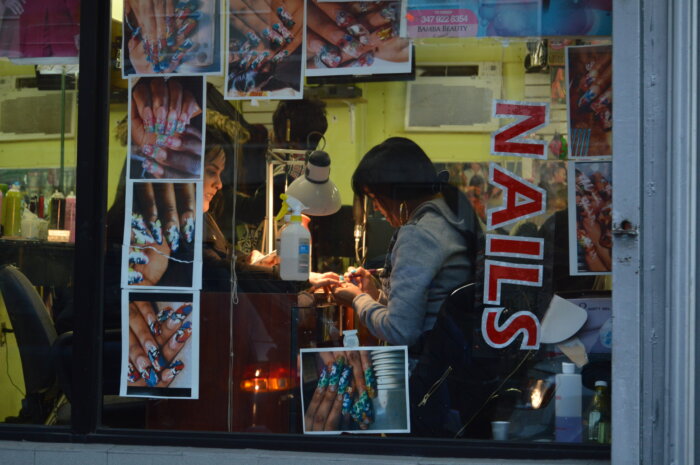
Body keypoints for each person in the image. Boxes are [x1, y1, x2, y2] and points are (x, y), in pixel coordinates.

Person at [332, 137, 482, 348]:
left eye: (375, 198)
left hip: (430, 368)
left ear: (397, 195)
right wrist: (373, 294)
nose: (375, 208)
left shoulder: (419, 235)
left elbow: (400, 331)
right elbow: (419, 313)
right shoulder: (447, 218)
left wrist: (357, 299)